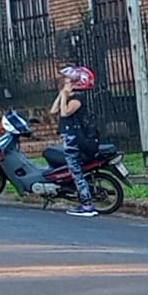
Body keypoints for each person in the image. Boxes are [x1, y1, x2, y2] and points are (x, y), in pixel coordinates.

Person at [47, 64, 101, 217]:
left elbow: (65, 113)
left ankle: (87, 205)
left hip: (73, 140)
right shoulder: (70, 97)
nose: (66, 83)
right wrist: (61, 94)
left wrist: (65, 95)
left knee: (76, 171)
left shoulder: (77, 99)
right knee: (73, 170)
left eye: (69, 81)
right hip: (68, 137)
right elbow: (53, 111)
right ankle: (84, 202)